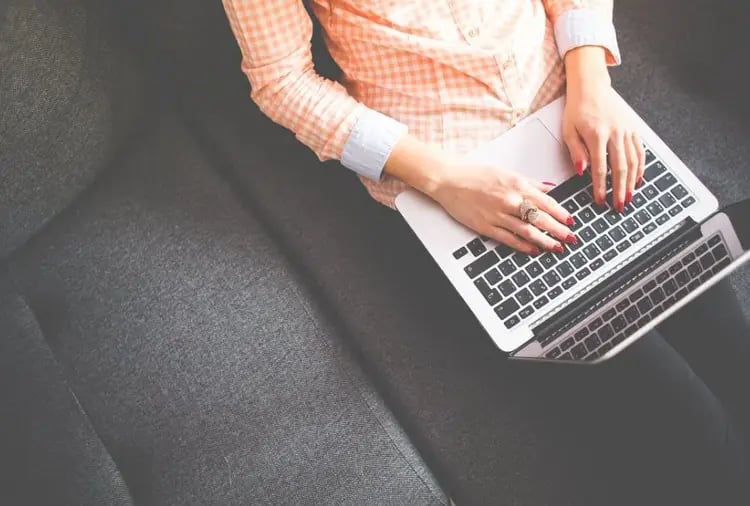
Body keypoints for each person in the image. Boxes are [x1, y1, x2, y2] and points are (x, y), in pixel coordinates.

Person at [222, 1, 750, 503]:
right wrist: (447, 179)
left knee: (734, 355)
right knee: (696, 433)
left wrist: (592, 80)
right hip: (459, 181)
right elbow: (282, 81)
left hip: (574, 117)